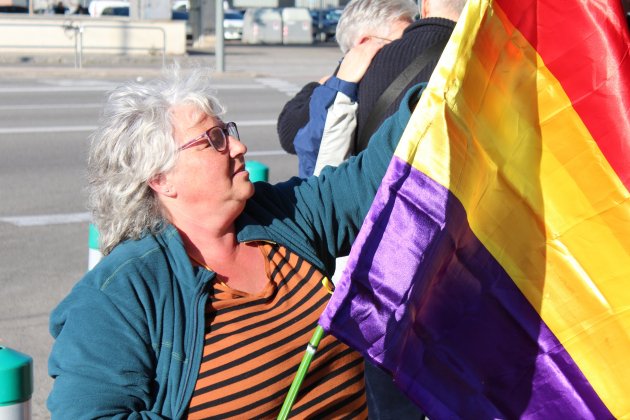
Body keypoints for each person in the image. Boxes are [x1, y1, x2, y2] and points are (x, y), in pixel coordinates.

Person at [47, 67, 425, 418]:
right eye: (213, 140)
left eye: (227, 132)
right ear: (161, 179)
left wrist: (437, 95)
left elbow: (372, 176)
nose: (238, 147)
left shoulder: (277, 214)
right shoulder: (119, 296)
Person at [277, 0, 418, 158]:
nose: (411, 48)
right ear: (365, 43)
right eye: (401, 43)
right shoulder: (346, 91)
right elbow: (290, 134)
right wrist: (331, 85)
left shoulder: (335, 84)